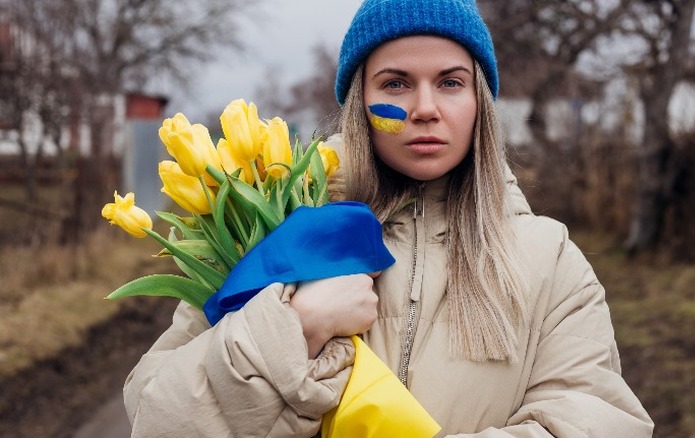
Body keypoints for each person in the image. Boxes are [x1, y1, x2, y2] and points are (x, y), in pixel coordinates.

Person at [123, 0, 654, 436]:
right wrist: (296, 327)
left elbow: (594, 420)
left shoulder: (548, 259)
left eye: (450, 83)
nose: (425, 108)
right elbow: (159, 421)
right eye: (395, 84)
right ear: (361, 104)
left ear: (480, 103)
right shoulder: (279, 236)